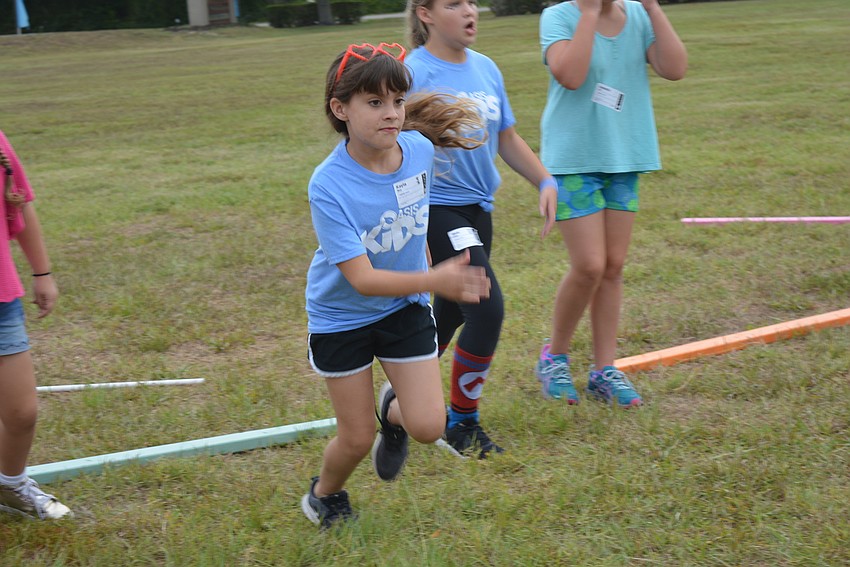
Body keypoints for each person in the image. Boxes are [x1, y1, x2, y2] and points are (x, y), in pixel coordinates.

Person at [301, 42, 492, 529]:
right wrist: (436, 278)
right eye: (375, 103)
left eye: (398, 102)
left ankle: (396, 409)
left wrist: (423, 260)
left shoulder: (420, 150)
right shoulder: (327, 185)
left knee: (431, 426)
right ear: (340, 110)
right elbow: (362, 279)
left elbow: (414, 210)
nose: (392, 115)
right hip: (342, 318)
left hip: (404, 305)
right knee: (357, 438)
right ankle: (325, 494)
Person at [405, 0, 558, 458]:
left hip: (478, 210)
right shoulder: (413, 72)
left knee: (451, 313)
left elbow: (506, 136)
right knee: (487, 309)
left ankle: (405, 394)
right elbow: (390, 143)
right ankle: (461, 422)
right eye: (455, 4)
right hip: (439, 209)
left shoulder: (487, 68)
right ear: (426, 14)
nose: (470, 11)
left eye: (472, 2)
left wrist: (544, 179)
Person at [534, 0, 687, 406]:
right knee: (589, 266)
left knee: (613, 267)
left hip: (624, 158)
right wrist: (588, 14)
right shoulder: (560, 16)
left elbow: (674, 68)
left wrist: (653, 8)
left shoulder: (638, 15)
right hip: (573, 160)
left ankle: (605, 370)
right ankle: (554, 357)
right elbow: (570, 75)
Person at [0, 130, 72, 520]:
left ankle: (10, 486)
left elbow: (21, 204)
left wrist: (42, 273)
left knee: (22, 413)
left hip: (1, 298)